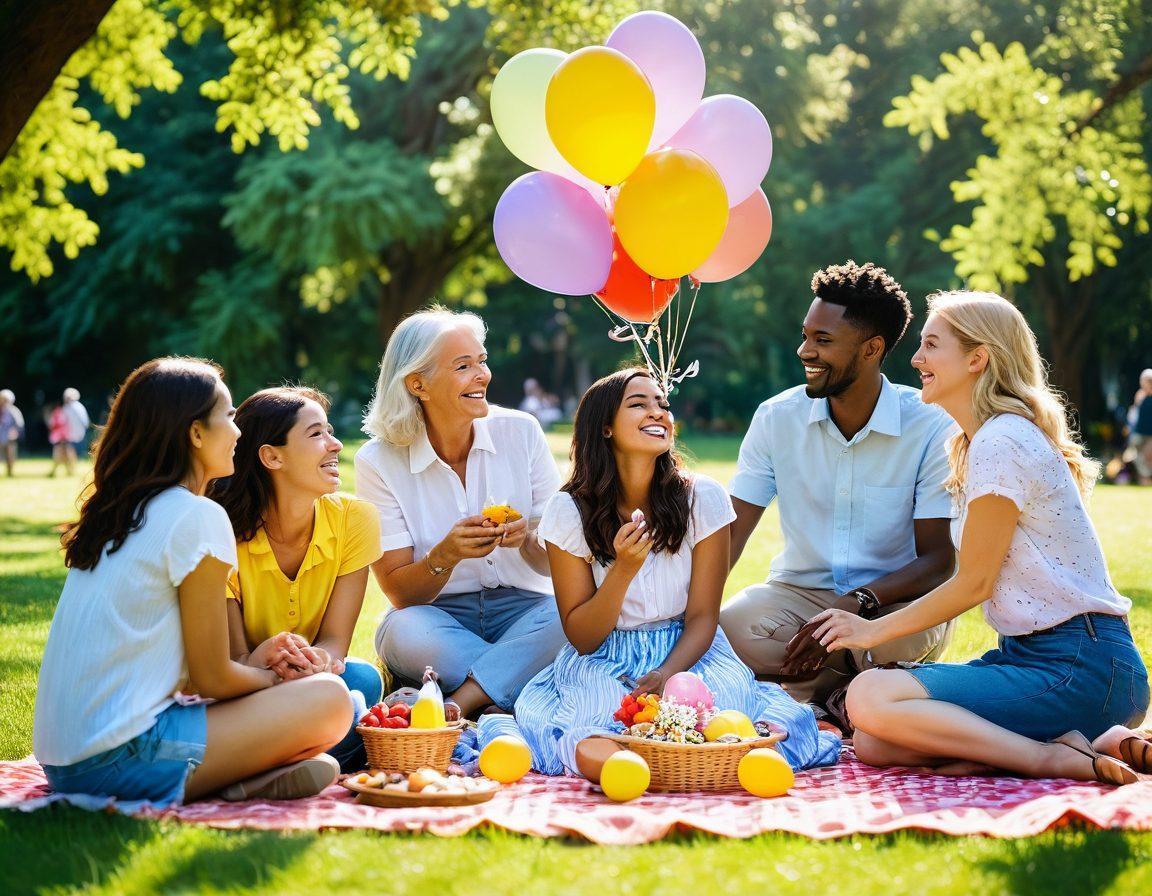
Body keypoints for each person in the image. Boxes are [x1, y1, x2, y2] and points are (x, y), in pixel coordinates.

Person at [809, 292, 1150, 785]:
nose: (917, 359)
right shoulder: (984, 440)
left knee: (868, 696)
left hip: (1082, 663)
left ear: (977, 358)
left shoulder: (1002, 440)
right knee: (874, 741)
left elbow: (974, 583)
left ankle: (1046, 758)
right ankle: (1076, 741)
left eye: (931, 345)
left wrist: (870, 631)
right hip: (1042, 660)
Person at [33, 358, 351, 807]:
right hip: (117, 758)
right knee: (332, 699)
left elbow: (180, 672)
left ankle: (241, 784)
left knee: (316, 703)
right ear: (196, 434)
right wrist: (275, 680)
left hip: (64, 760)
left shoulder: (124, 510)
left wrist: (259, 663)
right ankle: (226, 779)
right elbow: (213, 679)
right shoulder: (196, 515)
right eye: (227, 416)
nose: (238, 431)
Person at [494, 368, 842, 777]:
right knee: (601, 719)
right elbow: (583, 638)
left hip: (689, 651)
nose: (659, 412)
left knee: (720, 713)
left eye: (663, 404)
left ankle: (674, 764)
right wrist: (623, 570)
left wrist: (668, 672)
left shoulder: (703, 498)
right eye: (639, 404)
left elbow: (702, 617)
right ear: (604, 427)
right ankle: (631, 768)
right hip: (606, 657)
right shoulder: (568, 511)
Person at [719, 261, 957, 721]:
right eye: (806, 336)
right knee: (724, 632)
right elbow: (731, 535)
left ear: (871, 349)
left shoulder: (931, 426)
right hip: (797, 596)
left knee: (898, 642)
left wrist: (857, 605)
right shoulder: (775, 418)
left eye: (822, 341)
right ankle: (849, 696)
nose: (805, 351)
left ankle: (811, 691)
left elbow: (938, 561)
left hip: (894, 606)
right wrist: (685, 617)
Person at [356, 305, 568, 718]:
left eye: (482, 361)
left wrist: (526, 539)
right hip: (438, 619)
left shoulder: (521, 431)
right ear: (418, 384)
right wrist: (445, 555)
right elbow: (401, 593)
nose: (482, 375)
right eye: (463, 366)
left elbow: (557, 565)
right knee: (399, 633)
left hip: (527, 610)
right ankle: (522, 687)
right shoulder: (377, 461)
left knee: (572, 615)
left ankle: (462, 700)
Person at [208, 387, 384, 773]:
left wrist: (319, 661)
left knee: (363, 680)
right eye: (317, 434)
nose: (335, 444)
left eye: (330, 431)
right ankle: (296, 756)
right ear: (272, 456)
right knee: (350, 703)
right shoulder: (221, 535)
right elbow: (232, 661)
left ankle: (281, 759)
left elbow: (336, 641)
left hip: (311, 681)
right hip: (243, 688)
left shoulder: (355, 519)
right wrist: (269, 665)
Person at [1128, 369, 1152, 485]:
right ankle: (1145, 478)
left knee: (1148, 456)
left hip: (1150, 434)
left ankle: (1146, 480)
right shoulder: (1140, 395)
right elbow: (1134, 413)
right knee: (1133, 455)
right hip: (1139, 431)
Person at [62, 387, 91, 463]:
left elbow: (84, 422)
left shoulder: (72, 407)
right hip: (73, 434)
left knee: (72, 451)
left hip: (74, 434)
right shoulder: (78, 406)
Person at [0, 389, 23, 477]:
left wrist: (15, 432)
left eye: (5, 399)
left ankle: (10, 472)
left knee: (10, 455)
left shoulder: (14, 411)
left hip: (9, 438)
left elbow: (19, 424)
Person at [46, 400, 72, 476]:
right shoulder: (64, 412)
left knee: (57, 454)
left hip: (60, 438)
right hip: (64, 437)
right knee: (65, 454)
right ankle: (68, 471)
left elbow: (52, 424)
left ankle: (54, 471)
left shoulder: (57, 413)